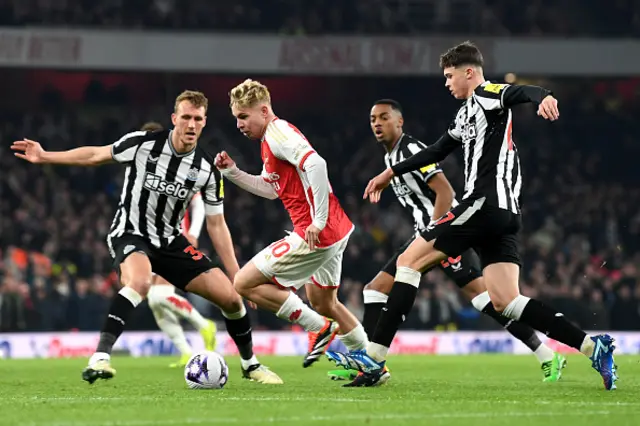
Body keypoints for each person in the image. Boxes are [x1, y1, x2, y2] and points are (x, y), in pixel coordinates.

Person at [326, 41, 617, 390]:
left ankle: (374, 358)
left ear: (469, 72)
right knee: (506, 301)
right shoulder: (463, 114)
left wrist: (544, 96)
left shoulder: (486, 94)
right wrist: (391, 173)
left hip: (483, 204)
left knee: (408, 262)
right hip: (504, 215)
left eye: (450, 76)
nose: (447, 83)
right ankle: (591, 346)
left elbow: (519, 91)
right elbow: (438, 149)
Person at [11, 91, 283, 385]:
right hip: (130, 232)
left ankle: (250, 365)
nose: (191, 125)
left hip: (170, 241)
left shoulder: (207, 170)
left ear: (204, 123)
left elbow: (217, 226)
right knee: (140, 283)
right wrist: (45, 155)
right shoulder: (142, 143)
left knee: (230, 299)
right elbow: (94, 155)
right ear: (174, 119)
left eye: (198, 119)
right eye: (186, 117)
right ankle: (100, 357)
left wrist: (237, 275)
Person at [327, 99, 565, 386]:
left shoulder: (410, 149)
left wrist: (435, 234)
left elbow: (444, 190)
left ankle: (546, 354)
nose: (377, 123)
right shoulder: (390, 158)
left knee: (488, 300)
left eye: (384, 117)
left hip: (443, 233)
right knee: (375, 290)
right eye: (372, 119)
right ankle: (371, 364)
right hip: (425, 233)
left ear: (399, 122)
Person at [215, 79, 368, 368]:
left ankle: (316, 327)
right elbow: (272, 189)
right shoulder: (270, 140)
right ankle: (371, 365)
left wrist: (318, 221)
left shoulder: (278, 133)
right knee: (325, 302)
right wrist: (233, 172)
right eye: (236, 118)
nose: (238, 125)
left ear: (263, 110)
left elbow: (317, 164)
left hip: (316, 233)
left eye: (243, 117)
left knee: (243, 282)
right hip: (335, 230)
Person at [139, 121, 217, 369]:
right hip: (149, 239)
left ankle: (205, 325)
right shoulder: (144, 168)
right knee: (154, 299)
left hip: (172, 239)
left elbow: (198, 201)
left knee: (160, 294)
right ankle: (185, 351)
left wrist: (192, 233)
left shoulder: (174, 167)